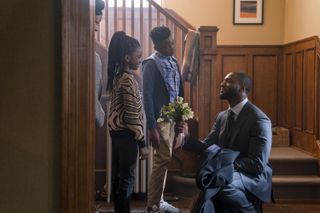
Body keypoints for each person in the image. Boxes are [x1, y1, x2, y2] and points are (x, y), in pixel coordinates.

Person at [179, 72, 272, 213]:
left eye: (228, 81)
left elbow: (257, 164)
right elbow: (207, 146)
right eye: (223, 80)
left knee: (219, 182)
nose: (222, 84)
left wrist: (223, 164)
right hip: (230, 171)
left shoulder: (259, 119)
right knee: (212, 179)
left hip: (253, 176)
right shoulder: (221, 116)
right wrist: (186, 138)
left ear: (243, 88)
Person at [142, 26, 183, 213]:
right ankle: (152, 205)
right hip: (160, 120)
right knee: (163, 159)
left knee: (163, 159)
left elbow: (179, 92)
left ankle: (159, 201)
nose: (172, 46)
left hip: (173, 118)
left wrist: (182, 120)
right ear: (157, 45)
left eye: (172, 41)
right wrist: (152, 127)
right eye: (167, 44)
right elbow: (147, 97)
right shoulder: (150, 64)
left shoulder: (174, 61)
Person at [107, 31, 149, 213]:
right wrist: (142, 143)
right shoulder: (128, 81)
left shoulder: (117, 77)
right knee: (126, 180)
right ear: (126, 57)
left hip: (116, 134)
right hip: (127, 136)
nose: (140, 59)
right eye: (138, 56)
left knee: (119, 178)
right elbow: (133, 115)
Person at [95, 0, 106, 127]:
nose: (97, 29)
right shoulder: (94, 58)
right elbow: (93, 99)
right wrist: (101, 117)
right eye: (96, 22)